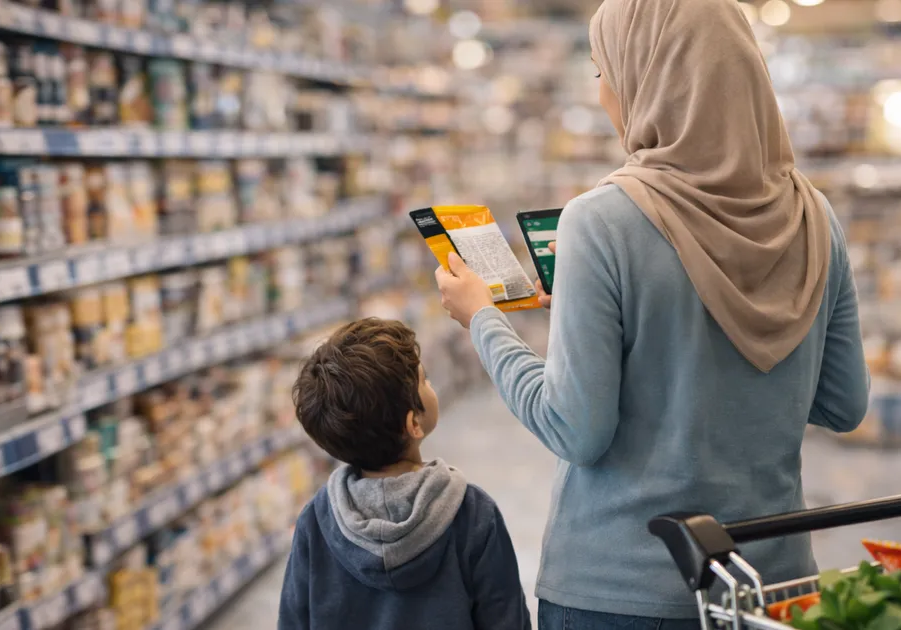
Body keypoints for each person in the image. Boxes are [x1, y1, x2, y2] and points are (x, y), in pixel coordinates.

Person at [433, 0, 871, 628]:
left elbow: (573, 430)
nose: (603, 93)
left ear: (651, 76)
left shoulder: (601, 221)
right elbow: (843, 404)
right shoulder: (815, 217)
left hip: (622, 591)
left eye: (603, 71)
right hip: (770, 585)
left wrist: (482, 318)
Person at [278, 318, 531, 630]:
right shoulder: (473, 514)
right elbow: (507, 621)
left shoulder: (316, 521)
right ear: (413, 424)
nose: (430, 383)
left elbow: (293, 622)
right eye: (424, 380)